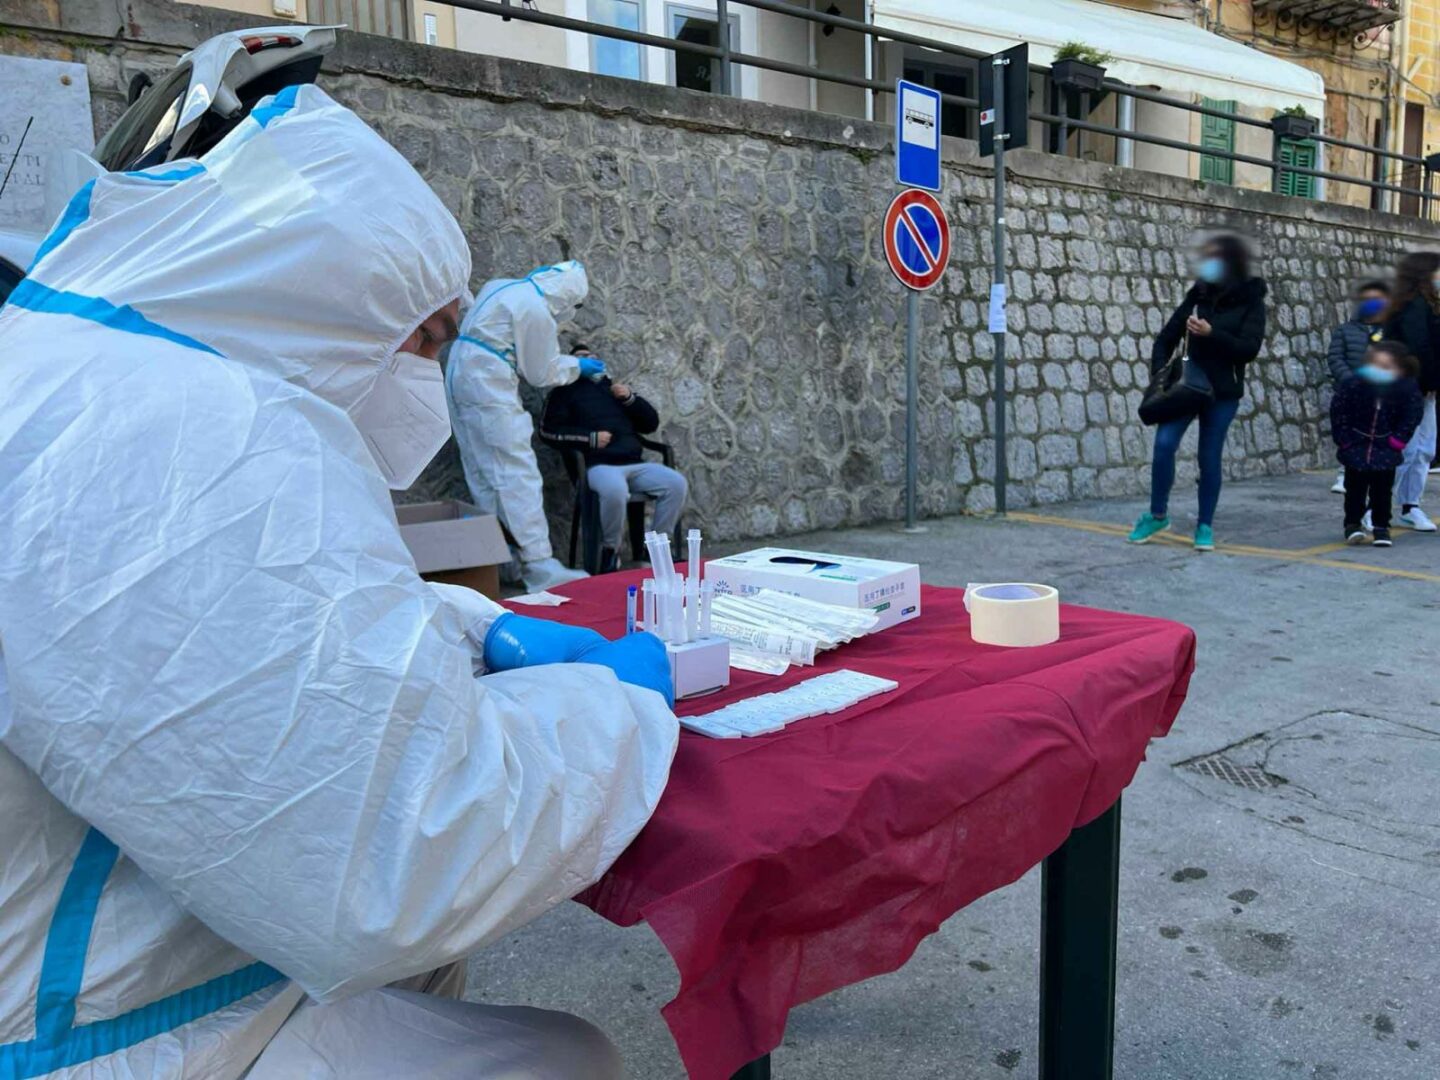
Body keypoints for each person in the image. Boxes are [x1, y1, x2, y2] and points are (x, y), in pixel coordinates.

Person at [0, 85, 677, 1078]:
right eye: (428, 338)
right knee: (565, 1060)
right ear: (329, 291)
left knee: (433, 983)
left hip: (89, 936)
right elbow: (394, 862)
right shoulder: (201, 432)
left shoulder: (72, 371)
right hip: (104, 1030)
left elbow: (223, 634)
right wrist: (612, 709)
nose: (424, 377)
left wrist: (459, 623)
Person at [446, 261, 602, 592]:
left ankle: (501, 561)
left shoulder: (503, 284)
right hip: (487, 384)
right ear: (566, 297)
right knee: (517, 471)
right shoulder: (535, 310)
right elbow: (540, 372)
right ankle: (539, 565)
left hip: (460, 374)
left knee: (484, 474)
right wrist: (578, 366)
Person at [1128, 234, 1268, 551]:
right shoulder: (1199, 294)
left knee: (1209, 457)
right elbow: (1165, 338)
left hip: (1223, 393)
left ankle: (1204, 525)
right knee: (1164, 445)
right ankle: (1157, 514)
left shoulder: (1251, 299)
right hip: (1187, 387)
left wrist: (1212, 333)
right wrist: (1160, 377)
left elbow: (1249, 349)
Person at [540, 344, 689, 572]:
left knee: (675, 483)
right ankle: (610, 551)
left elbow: (650, 424)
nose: (588, 360)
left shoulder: (612, 390)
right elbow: (547, 432)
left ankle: (657, 549)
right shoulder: (563, 393)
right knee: (615, 490)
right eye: (581, 358)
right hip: (597, 466)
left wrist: (630, 398)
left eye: (591, 356)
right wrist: (589, 439)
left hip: (633, 463)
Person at [1331, 341, 1425, 547]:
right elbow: (1339, 409)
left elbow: (1412, 415)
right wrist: (1344, 439)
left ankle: (1381, 526)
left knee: (1382, 491)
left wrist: (1398, 440)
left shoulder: (1406, 388)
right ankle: (1352, 525)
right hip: (1356, 446)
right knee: (1354, 489)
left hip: (1386, 448)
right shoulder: (1354, 383)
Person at [1382, 251, 1440, 531]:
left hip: (1422, 387)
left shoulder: (1425, 304)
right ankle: (1377, 507)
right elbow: (1419, 348)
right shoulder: (1413, 306)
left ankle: (1409, 506)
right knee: (1408, 449)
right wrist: (1430, 382)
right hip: (1412, 387)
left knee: (1423, 450)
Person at [1326, 280, 1390, 494]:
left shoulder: (1389, 331)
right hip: (1351, 393)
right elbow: (1335, 357)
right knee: (1349, 434)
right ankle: (1344, 474)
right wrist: (1351, 383)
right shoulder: (1345, 331)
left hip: (1382, 392)